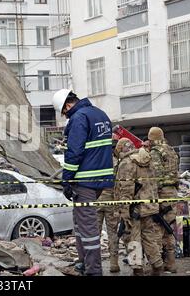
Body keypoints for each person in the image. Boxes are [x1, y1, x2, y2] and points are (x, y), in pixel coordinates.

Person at [52, 89, 114, 276]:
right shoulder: (100, 114)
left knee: (87, 227)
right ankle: (82, 263)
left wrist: (67, 179)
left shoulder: (79, 117)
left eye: (64, 112)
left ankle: (93, 270)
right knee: (79, 221)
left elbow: (74, 153)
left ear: (67, 105)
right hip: (102, 178)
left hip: (85, 179)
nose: (66, 116)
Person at [115, 138, 164, 276]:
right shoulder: (147, 159)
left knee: (132, 239)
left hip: (134, 209)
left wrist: (124, 212)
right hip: (149, 206)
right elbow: (155, 183)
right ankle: (157, 266)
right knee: (149, 237)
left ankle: (137, 270)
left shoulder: (127, 163)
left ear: (121, 149)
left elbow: (125, 189)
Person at [148, 127, 179, 273]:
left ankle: (158, 264)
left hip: (162, 194)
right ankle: (171, 263)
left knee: (158, 228)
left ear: (151, 138)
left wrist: (153, 195)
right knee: (169, 227)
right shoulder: (171, 150)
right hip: (173, 192)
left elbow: (156, 176)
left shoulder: (156, 152)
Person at [96, 149, 120, 273]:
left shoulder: (95, 160)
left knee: (94, 233)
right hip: (111, 200)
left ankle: (95, 264)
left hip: (96, 199)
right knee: (112, 233)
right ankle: (114, 263)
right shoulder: (116, 162)